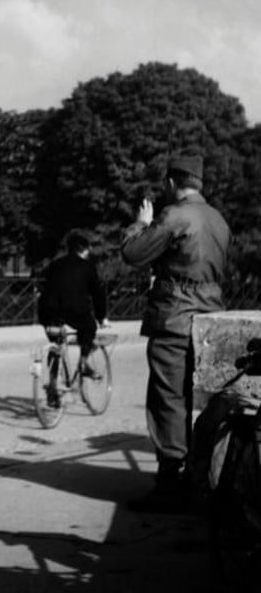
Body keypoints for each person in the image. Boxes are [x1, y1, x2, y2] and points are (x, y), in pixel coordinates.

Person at [121, 153, 231, 512]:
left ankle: (171, 484)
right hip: (212, 317)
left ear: (171, 183)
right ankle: (205, 474)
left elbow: (134, 254)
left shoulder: (174, 216)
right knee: (211, 401)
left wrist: (141, 224)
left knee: (170, 400)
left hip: (175, 319)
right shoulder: (218, 219)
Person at [37, 230, 108, 381]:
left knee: (56, 344)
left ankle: (52, 385)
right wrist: (101, 317)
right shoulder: (87, 266)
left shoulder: (54, 264)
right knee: (89, 327)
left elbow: (43, 286)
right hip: (72, 311)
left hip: (47, 311)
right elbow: (98, 293)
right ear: (85, 249)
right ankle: (83, 363)